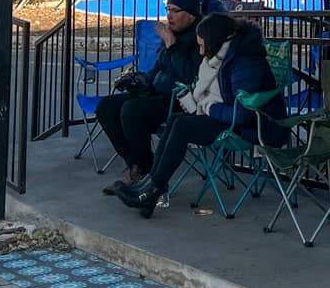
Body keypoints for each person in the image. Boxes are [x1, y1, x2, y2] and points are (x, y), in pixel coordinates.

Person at [118, 14, 288, 217]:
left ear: (214, 41)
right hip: (227, 117)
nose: (200, 51)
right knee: (176, 120)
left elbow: (244, 114)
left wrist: (208, 107)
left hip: (254, 127)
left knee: (183, 127)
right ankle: (151, 188)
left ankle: (151, 190)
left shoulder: (245, 63)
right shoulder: (222, 57)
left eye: (202, 45)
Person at [96, 0, 202, 194]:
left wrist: (172, 45)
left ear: (190, 14)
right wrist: (143, 80)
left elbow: (191, 75)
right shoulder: (173, 34)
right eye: (168, 10)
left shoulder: (199, 37)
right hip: (157, 92)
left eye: (175, 10)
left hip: (180, 100)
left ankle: (144, 171)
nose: (169, 16)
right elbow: (159, 68)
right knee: (106, 107)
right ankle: (139, 166)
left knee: (132, 110)